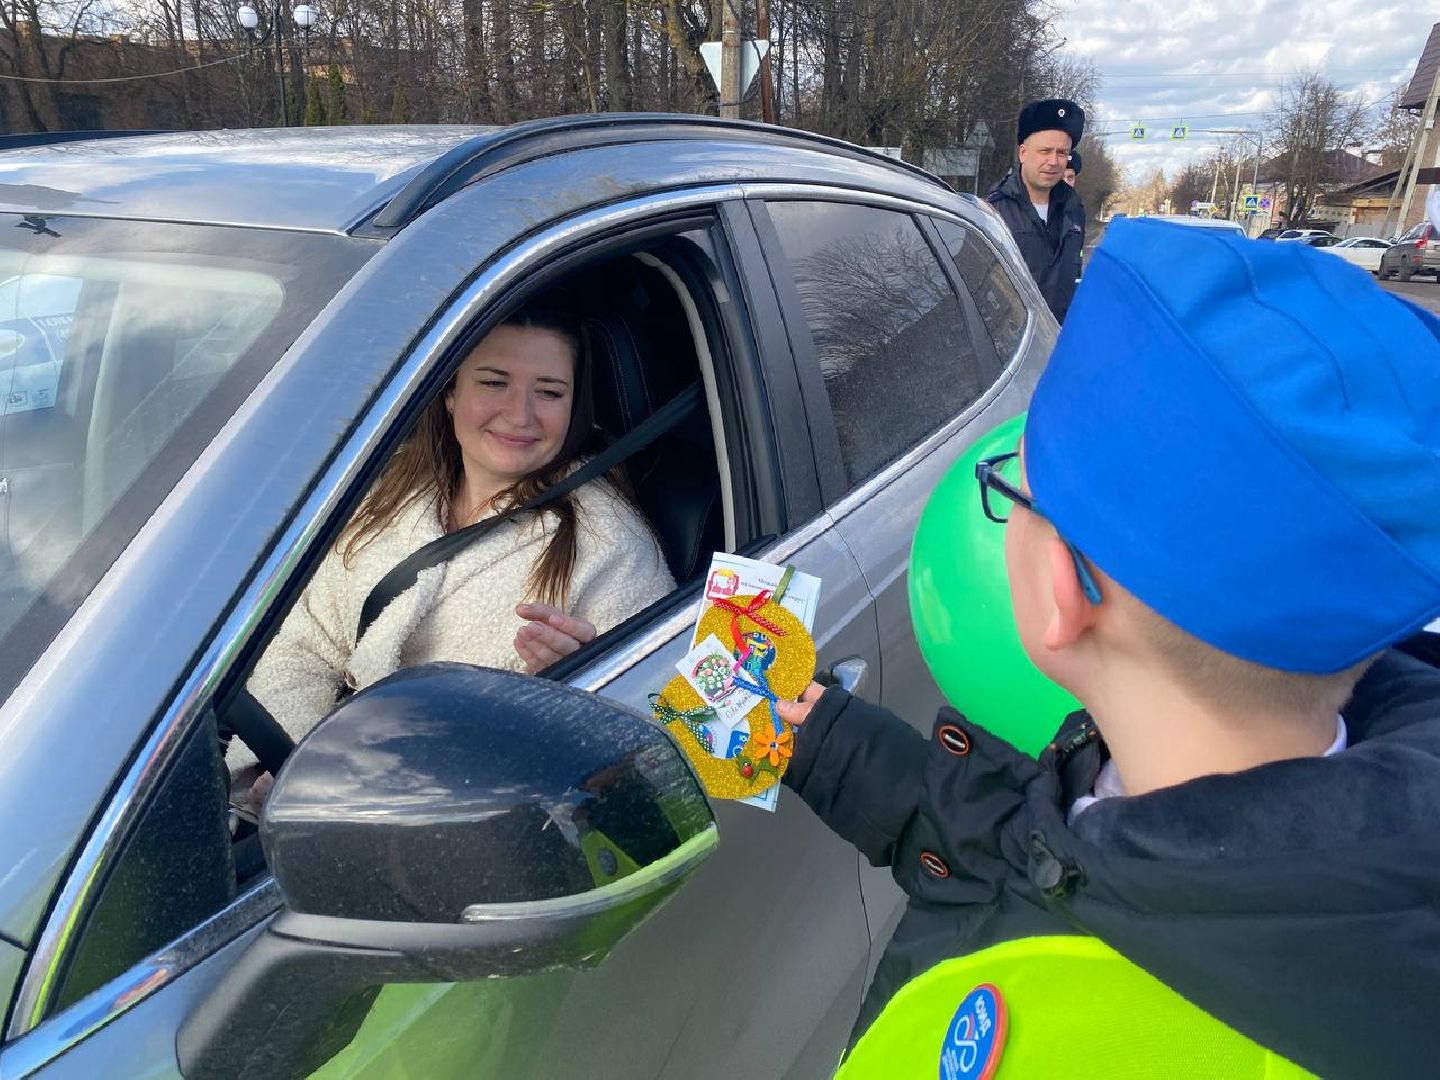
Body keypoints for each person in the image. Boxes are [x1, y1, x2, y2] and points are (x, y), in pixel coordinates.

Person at [777, 220, 1440, 1077]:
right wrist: (833, 744)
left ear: (1065, 589)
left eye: (1014, 484)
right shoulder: (1336, 883)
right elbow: (1045, 861)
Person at [239, 298, 675, 770]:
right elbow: (302, 642)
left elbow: (647, 740)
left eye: (549, 392)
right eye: (493, 383)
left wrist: (581, 694)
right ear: (450, 394)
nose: (519, 415)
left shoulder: (613, 547)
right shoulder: (387, 490)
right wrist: (285, 765)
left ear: (575, 407)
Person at [987, 98, 1086, 321]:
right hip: (1014, 346)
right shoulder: (993, 212)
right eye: (1044, 151)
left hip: (1059, 343)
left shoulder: (1074, 211)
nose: (1053, 161)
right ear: (1023, 153)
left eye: (1062, 153)